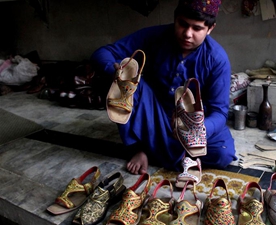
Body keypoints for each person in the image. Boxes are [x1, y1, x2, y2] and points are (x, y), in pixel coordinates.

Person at [90, 0, 237, 175]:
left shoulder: (217, 59)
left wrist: (200, 128)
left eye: (197, 28)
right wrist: (114, 71)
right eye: (183, 24)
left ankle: (160, 149)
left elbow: (219, 111)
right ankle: (138, 149)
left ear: (210, 28)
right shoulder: (154, 36)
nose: (187, 34)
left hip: (189, 121)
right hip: (153, 113)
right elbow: (102, 53)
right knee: (126, 82)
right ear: (175, 19)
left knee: (223, 154)